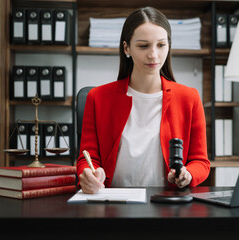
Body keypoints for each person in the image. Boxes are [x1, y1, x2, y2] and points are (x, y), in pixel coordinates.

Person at [77, 6, 210, 194]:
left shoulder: (189, 98)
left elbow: (201, 161)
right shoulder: (97, 98)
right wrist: (88, 175)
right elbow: (87, 158)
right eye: (143, 45)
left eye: (161, 45)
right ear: (127, 48)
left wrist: (188, 174)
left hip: (166, 204)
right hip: (112, 202)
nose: (153, 55)